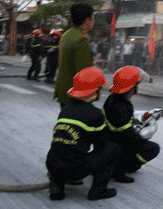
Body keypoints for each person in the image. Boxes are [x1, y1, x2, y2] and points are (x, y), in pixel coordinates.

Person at [45, 67, 120, 201]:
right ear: (95, 91)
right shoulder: (95, 114)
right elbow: (102, 145)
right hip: (74, 170)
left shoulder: (66, 109)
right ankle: (98, 191)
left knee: (64, 149)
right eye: (100, 88)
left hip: (52, 164)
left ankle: (57, 185)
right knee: (113, 149)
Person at [102, 66, 160, 182]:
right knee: (152, 148)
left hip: (110, 142)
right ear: (131, 87)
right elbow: (130, 137)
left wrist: (148, 116)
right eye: (137, 85)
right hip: (116, 145)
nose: (138, 88)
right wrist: (145, 132)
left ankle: (118, 165)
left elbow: (129, 120)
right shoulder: (120, 107)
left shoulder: (116, 98)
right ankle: (120, 169)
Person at [54, 3, 95, 108]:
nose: (93, 21)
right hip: (76, 95)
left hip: (64, 90)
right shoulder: (82, 39)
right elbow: (83, 73)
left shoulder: (67, 34)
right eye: (93, 17)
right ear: (87, 20)